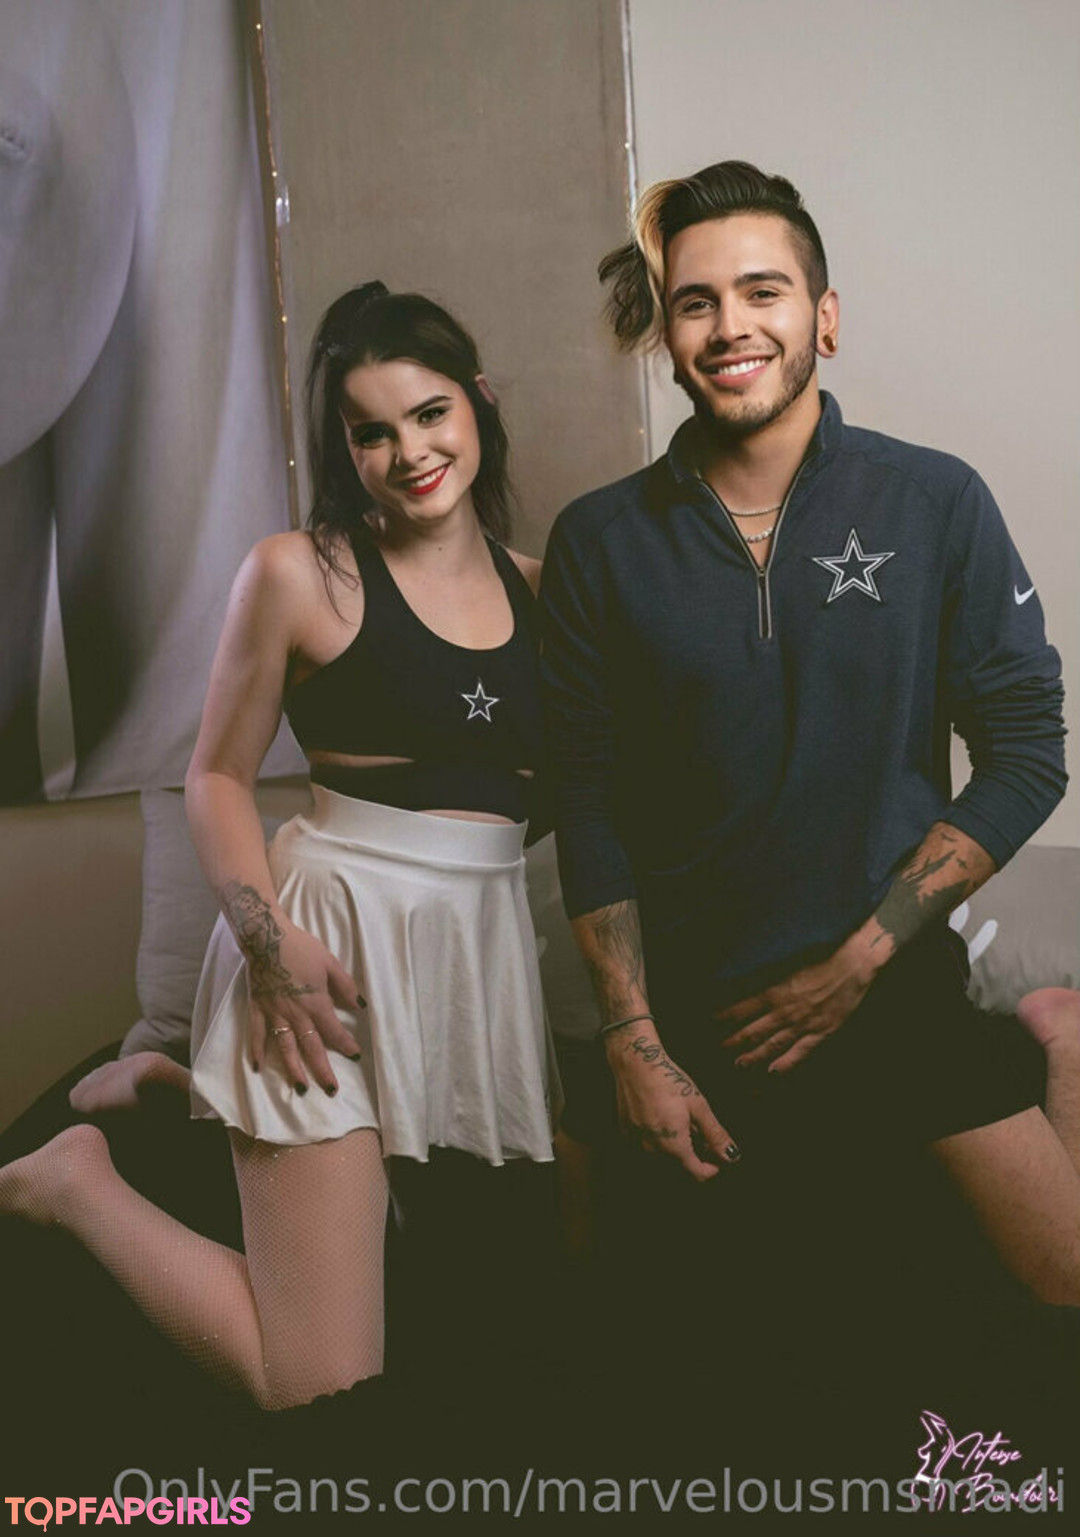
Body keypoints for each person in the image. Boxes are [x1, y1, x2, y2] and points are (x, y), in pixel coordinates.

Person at [0, 282, 557, 1410]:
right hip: (318, 946)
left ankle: (176, 1090)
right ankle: (73, 1182)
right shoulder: (300, 573)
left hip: (469, 957)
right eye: (372, 432)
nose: (410, 453)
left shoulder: (544, 591)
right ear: (343, 448)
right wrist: (268, 947)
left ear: (481, 403)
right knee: (311, 1379)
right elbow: (215, 776)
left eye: (431, 414)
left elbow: (534, 792)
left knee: (498, 1315)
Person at [541, 161, 1080, 1309]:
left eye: (763, 291)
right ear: (668, 336)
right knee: (616, 1336)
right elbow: (583, 797)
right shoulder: (598, 541)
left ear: (823, 318)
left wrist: (861, 958)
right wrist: (630, 1033)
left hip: (890, 983)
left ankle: (1056, 1033)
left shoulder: (935, 502)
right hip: (695, 1021)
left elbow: (1030, 752)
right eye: (696, 302)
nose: (730, 325)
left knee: (1064, 1287)